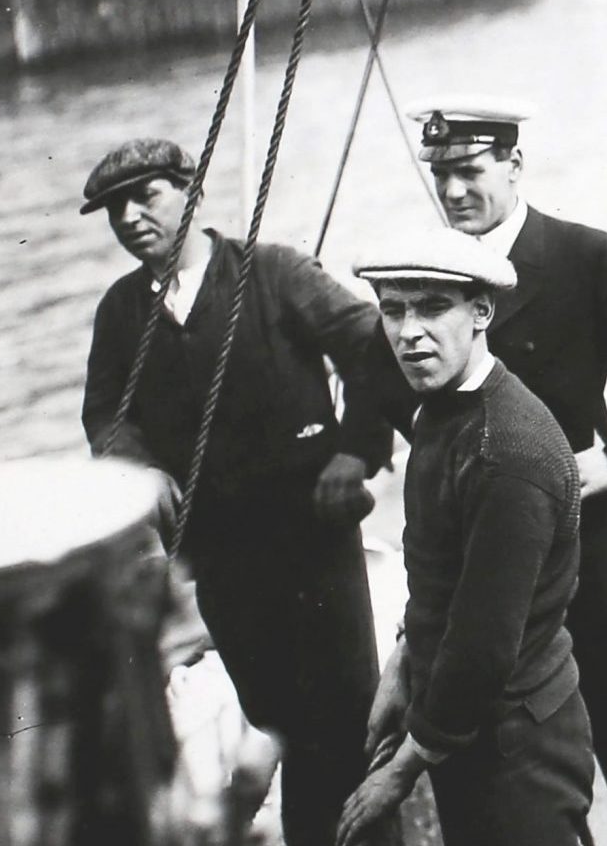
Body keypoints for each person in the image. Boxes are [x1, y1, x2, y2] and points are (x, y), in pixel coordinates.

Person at [370, 95, 607, 846]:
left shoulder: (584, 255)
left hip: (589, 557)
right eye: (440, 176)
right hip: (489, 566)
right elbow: (393, 385)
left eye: (469, 171)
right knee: (519, 775)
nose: (454, 192)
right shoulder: (433, 280)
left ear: (514, 163)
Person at [79, 138, 393, 846]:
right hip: (220, 555)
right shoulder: (121, 312)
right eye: (113, 209)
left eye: (146, 196)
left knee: (346, 723)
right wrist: (140, 469)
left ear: (191, 191)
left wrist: (357, 451)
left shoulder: (275, 272)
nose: (129, 217)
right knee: (278, 717)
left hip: (314, 540)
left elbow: (375, 349)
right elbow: (107, 414)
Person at [337, 228, 593, 846]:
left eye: (431, 307)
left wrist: (399, 774)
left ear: (482, 312)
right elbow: (442, 573)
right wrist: (405, 660)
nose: (408, 332)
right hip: (470, 728)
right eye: (393, 309)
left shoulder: (506, 454)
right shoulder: (446, 408)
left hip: (517, 745)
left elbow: (483, 644)